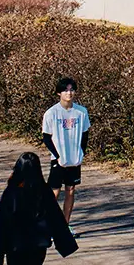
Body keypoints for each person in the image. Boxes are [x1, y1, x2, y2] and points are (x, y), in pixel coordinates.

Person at [0, 152, 77, 265]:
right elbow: (55, 217)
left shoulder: (12, 192)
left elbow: (1, 221)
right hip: (38, 245)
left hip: (16, 245)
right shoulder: (44, 191)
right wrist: (64, 242)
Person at [40, 77, 90, 230]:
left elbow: (85, 133)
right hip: (59, 159)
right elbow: (46, 137)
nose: (69, 93)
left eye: (71, 90)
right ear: (58, 93)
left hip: (74, 159)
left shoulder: (81, 112)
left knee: (71, 190)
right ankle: (47, 225)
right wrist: (58, 155)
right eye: (65, 90)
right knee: (54, 192)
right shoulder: (51, 113)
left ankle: (64, 225)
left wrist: (81, 152)